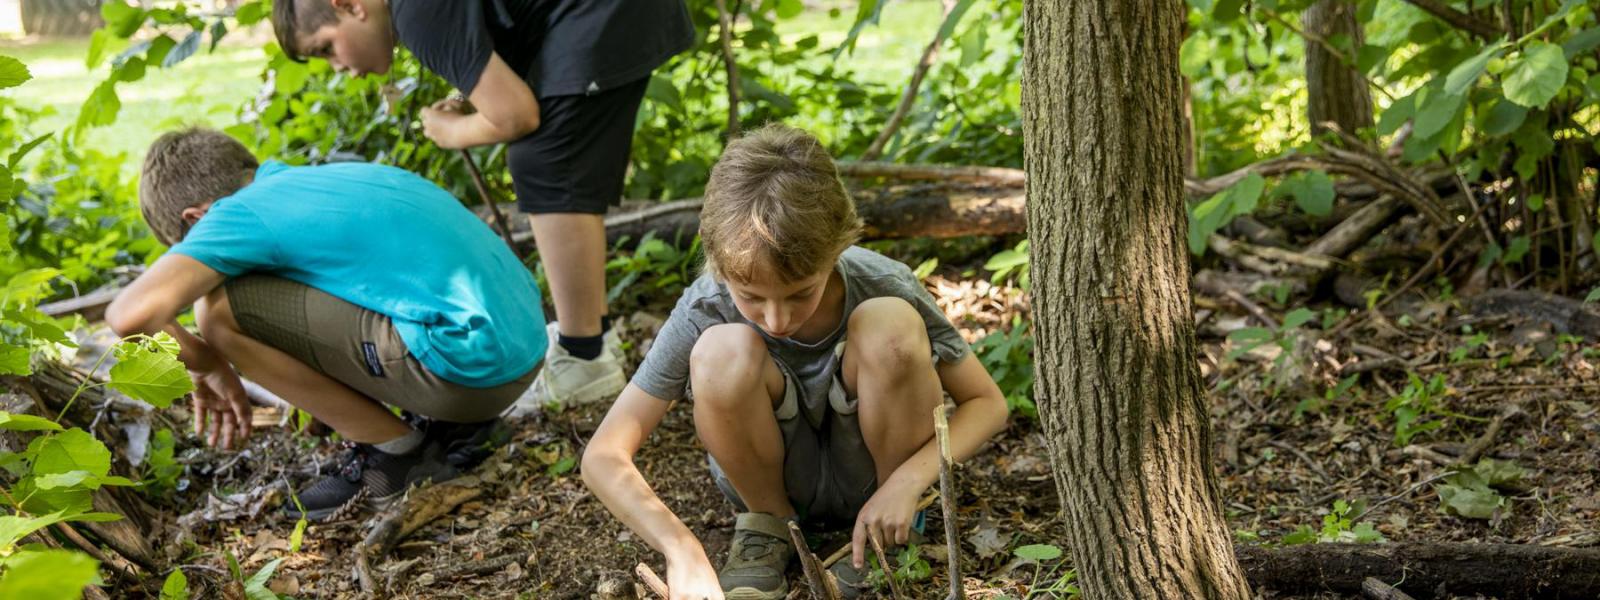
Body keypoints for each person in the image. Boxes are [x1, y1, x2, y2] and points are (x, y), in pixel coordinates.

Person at [580, 125, 1010, 599]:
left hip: (885, 478)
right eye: (751, 297)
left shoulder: (882, 281)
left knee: (889, 325)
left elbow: (986, 401)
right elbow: (603, 455)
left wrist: (909, 481)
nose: (777, 318)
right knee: (722, 351)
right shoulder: (706, 305)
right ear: (720, 267)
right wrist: (681, 549)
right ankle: (767, 528)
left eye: (802, 292)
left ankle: (889, 530)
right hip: (774, 483)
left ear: (837, 249)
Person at [270, 0, 695, 409]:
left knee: (544, 159)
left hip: (606, 11)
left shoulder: (415, 13)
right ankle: (589, 341)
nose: (339, 67)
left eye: (326, 48)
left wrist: (449, 130)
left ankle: (585, 360)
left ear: (350, 5)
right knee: (555, 155)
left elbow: (516, 117)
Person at [105, 128, 546, 521]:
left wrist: (206, 363)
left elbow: (129, 317)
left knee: (218, 311)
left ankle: (394, 455)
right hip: (521, 354)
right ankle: (445, 428)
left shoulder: (233, 215)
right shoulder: (323, 181)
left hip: (467, 375)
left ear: (195, 221)